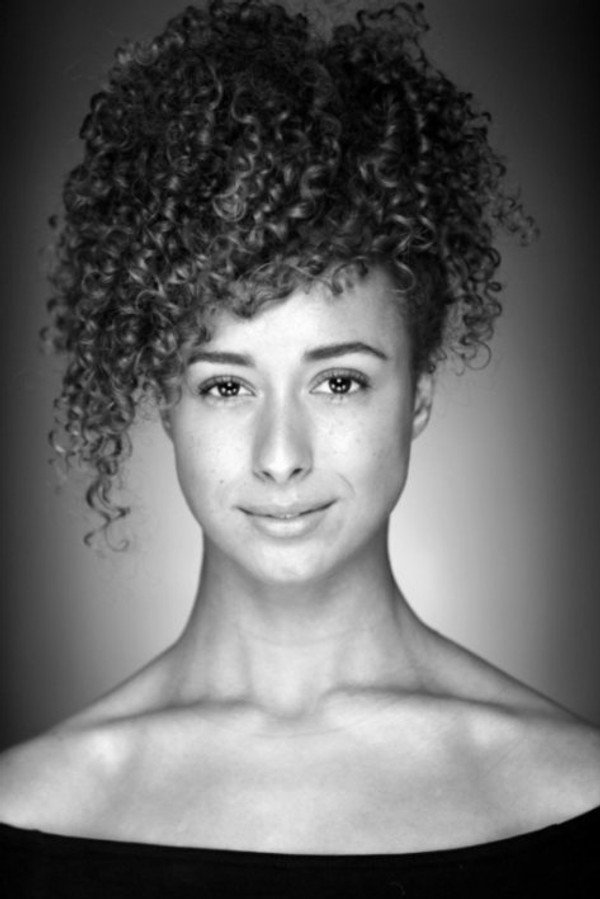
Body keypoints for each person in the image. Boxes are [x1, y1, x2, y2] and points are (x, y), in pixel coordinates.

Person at [1, 0, 599, 894]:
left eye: (339, 381)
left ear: (419, 393)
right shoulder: (28, 809)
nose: (281, 456)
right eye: (226, 386)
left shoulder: (576, 791)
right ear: (166, 403)